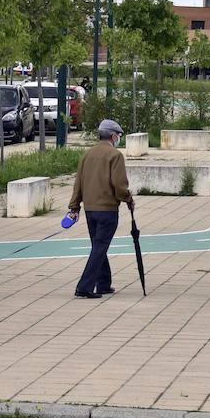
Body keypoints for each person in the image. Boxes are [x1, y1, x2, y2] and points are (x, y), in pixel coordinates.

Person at [67, 119, 134, 298]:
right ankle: (85, 287)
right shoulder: (115, 155)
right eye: (119, 136)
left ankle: (103, 283)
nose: (119, 139)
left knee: (98, 245)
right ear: (113, 136)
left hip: (90, 210)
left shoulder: (87, 154)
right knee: (99, 247)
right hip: (108, 210)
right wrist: (128, 198)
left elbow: (78, 184)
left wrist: (74, 207)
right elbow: (119, 185)